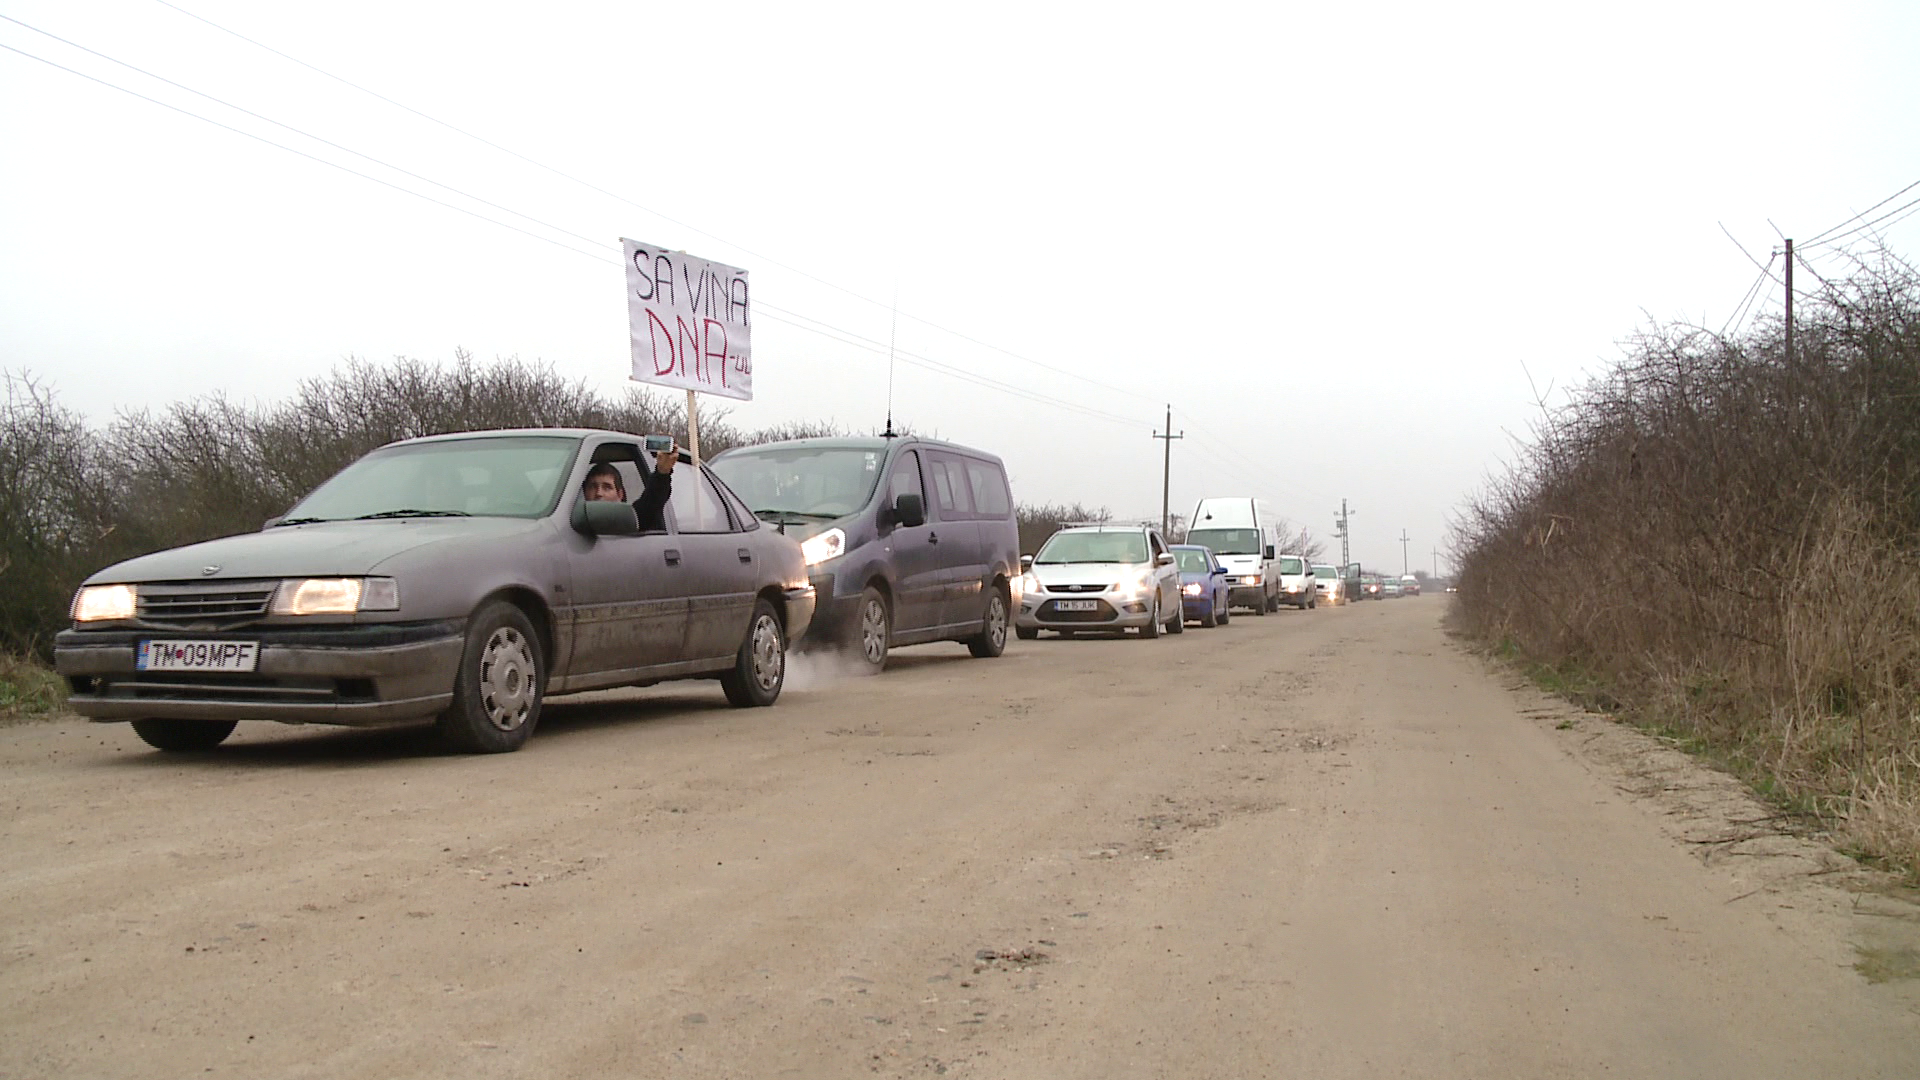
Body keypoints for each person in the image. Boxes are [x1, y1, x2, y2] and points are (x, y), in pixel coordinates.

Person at [580, 448, 676, 531]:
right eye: (593, 486)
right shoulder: (568, 521)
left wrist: (662, 471)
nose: (599, 493)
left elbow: (651, 501)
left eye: (607, 487)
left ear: (620, 495)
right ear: (584, 491)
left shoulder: (632, 522)